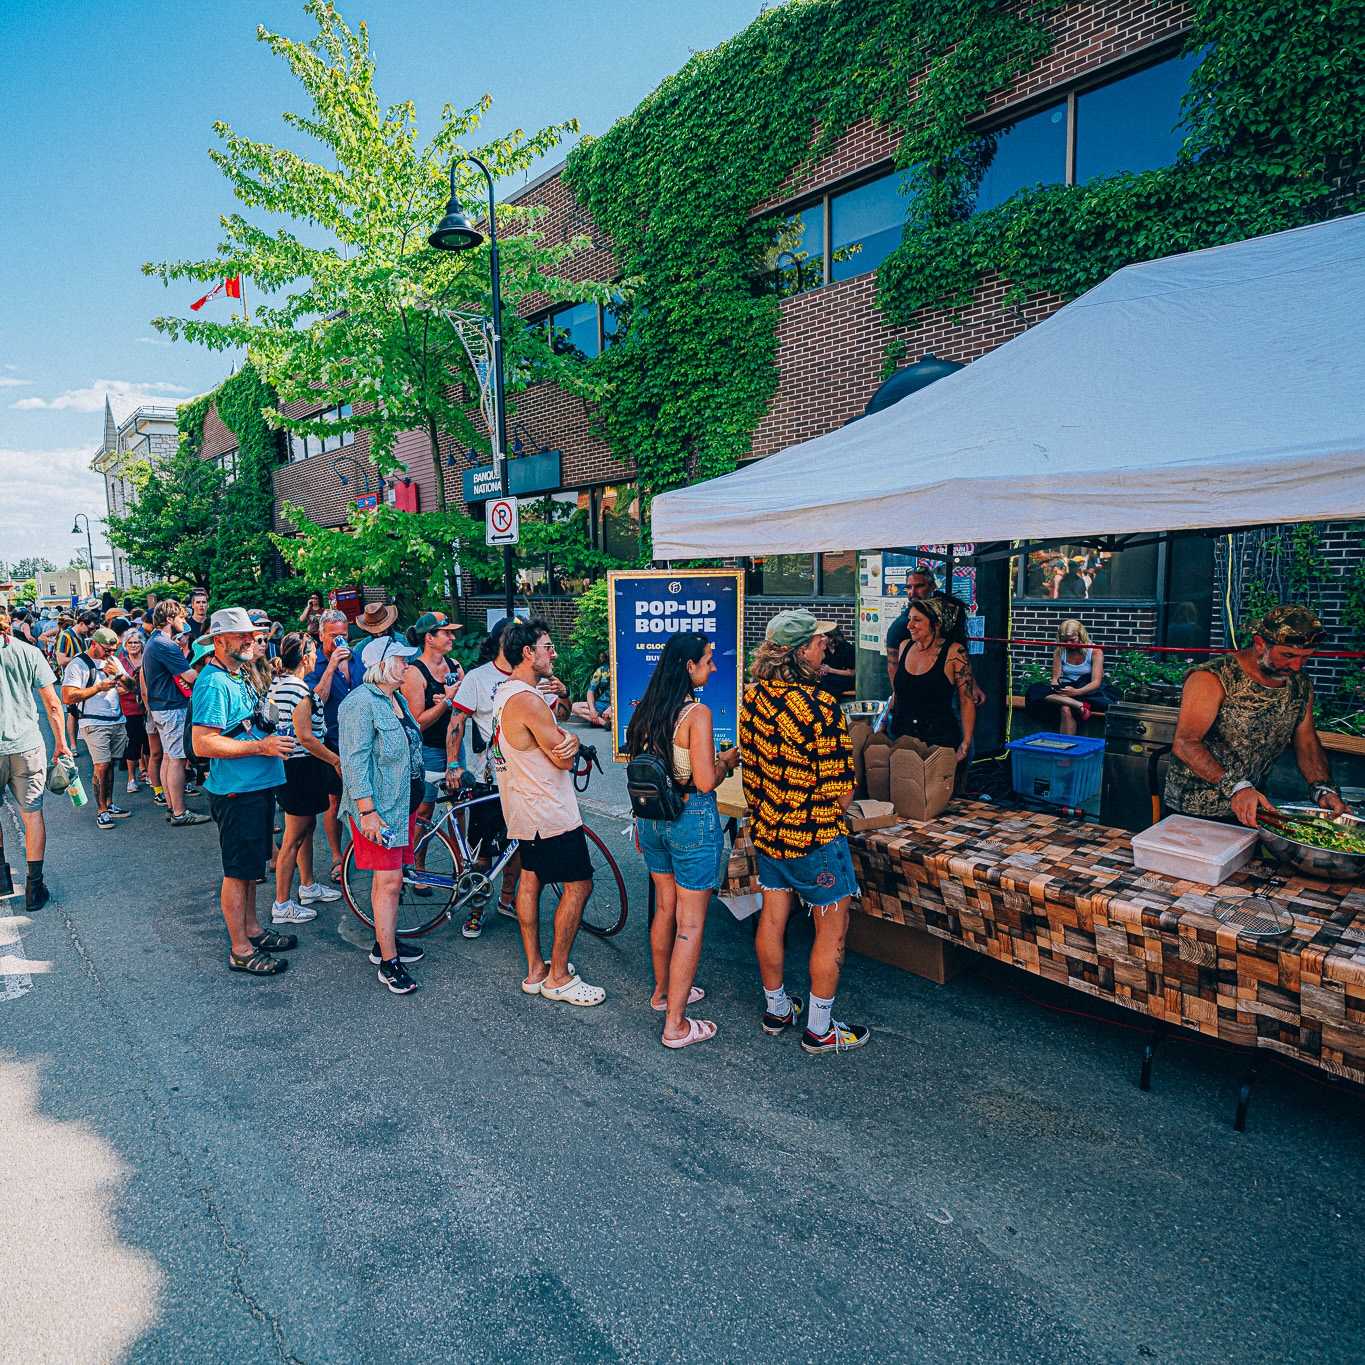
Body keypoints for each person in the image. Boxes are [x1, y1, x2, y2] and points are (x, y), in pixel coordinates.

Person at [739, 609, 867, 1055]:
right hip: (815, 837)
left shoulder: (752, 699)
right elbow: (840, 792)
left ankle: (777, 1008)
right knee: (830, 930)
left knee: (773, 917)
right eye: (817, 642)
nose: (824, 647)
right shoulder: (821, 706)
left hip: (769, 834)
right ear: (797, 653)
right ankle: (820, 1028)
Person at [628, 633, 741, 1048]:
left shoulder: (647, 710)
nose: (713, 668)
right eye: (708, 661)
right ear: (688, 667)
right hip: (691, 818)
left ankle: (663, 993)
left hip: (650, 820)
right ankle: (676, 1024)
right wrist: (726, 761)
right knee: (690, 925)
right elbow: (706, 780)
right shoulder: (696, 714)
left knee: (664, 909)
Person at [492, 619, 604, 1005]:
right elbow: (561, 757)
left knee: (531, 877)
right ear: (528, 653)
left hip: (522, 806)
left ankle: (536, 968)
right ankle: (557, 976)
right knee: (579, 884)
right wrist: (571, 737)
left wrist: (562, 738)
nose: (553, 653)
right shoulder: (527, 700)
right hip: (548, 809)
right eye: (547, 647)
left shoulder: (505, 693)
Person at [1165, 605, 1349, 828]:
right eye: (1288, 655)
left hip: (1254, 807)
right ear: (1260, 644)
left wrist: (1322, 787)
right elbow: (1185, 743)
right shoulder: (1212, 677)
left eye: (1305, 657)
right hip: (1194, 811)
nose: (1296, 665)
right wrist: (1237, 787)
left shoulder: (1300, 685)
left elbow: (1307, 742)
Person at [191, 609, 295, 977]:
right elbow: (203, 744)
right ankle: (240, 949)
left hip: (256, 785)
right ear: (219, 641)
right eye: (241, 636)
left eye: (252, 635)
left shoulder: (238, 675)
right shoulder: (214, 682)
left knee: (251, 869)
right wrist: (261, 748)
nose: (251, 640)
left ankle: (251, 930)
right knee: (237, 872)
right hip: (237, 790)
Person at [338, 649, 428, 994]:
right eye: (402, 660)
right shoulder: (361, 702)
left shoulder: (395, 698)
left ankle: (384, 942)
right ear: (380, 664)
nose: (408, 665)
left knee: (391, 880)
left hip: (401, 802)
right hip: (379, 810)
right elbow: (354, 760)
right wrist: (367, 812)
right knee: (388, 882)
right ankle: (389, 961)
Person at [447, 617, 519, 937]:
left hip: (523, 779)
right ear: (501, 641)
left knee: (517, 845)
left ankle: (506, 900)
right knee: (483, 853)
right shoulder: (478, 677)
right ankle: (476, 909)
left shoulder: (528, 673)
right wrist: (453, 764)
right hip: (487, 777)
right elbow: (457, 720)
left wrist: (561, 696)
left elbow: (556, 716)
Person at [267, 633, 343, 925]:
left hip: (290, 766)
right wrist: (335, 760)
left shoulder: (277, 684)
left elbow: (273, 722)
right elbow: (307, 737)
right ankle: (282, 903)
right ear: (306, 657)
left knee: (307, 827)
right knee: (293, 836)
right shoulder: (299, 690)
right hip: (300, 766)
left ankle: (308, 885)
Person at [0, 609, 70, 909]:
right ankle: (34, 887)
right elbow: (52, 704)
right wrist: (62, 744)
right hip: (26, 744)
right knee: (32, 813)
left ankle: (2, 880)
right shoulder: (27, 651)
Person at [141, 599, 208, 826]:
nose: (184, 621)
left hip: (161, 708)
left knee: (170, 757)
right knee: (177, 759)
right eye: (180, 618)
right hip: (172, 707)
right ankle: (180, 812)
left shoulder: (154, 641)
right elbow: (190, 676)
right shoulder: (166, 644)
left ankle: (173, 806)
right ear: (170, 619)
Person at [401, 612, 464, 852]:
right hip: (427, 749)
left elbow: (466, 706)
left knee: (457, 807)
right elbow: (417, 723)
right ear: (429, 638)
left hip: (454, 746)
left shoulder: (455, 667)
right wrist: (445, 703)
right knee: (424, 810)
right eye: (446, 633)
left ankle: (462, 864)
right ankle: (417, 864)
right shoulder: (414, 674)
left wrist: (454, 701)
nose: (452, 637)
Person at [60, 626, 134, 832]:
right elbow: (67, 696)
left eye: (114, 651)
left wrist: (118, 674)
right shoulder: (78, 664)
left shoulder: (113, 661)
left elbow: (132, 686)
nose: (111, 654)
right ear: (94, 644)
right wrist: (97, 688)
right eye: (107, 650)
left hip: (116, 719)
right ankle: (101, 810)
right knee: (101, 766)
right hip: (93, 722)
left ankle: (109, 804)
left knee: (110, 765)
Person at [889, 598, 975, 770]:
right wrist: (883, 722)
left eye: (917, 620)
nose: (909, 626)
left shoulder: (955, 652)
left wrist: (966, 742)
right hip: (902, 735)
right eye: (909, 619)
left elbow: (966, 700)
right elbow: (898, 692)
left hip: (939, 740)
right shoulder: (904, 646)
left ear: (935, 624)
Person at [306, 608, 355, 881]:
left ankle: (361, 849)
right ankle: (338, 856)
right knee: (333, 801)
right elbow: (317, 701)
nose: (339, 641)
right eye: (334, 636)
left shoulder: (356, 658)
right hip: (331, 740)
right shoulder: (315, 664)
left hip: (358, 739)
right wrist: (333, 664)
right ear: (322, 635)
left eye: (343, 635)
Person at [1025, 619, 1113, 735]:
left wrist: (1077, 692)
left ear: (1081, 635)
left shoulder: (1095, 652)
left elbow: (1096, 682)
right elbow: (1055, 678)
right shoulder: (1059, 651)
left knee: (1066, 707)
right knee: (1034, 690)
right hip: (1067, 689)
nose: (1069, 644)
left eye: (1072, 640)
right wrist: (1057, 687)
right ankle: (1079, 706)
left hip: (1087, 690)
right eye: (1065, 640)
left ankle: (1067, 746)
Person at [883, 569, 936, 685]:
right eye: (909, 587)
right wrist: (898, 695)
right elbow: (893, 663)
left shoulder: (944, 613)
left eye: (919, 586)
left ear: (933, 587)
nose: (913, 592)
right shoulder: (901, 626)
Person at [115, 629, 149, 793]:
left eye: (136, 642)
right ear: (125, 645)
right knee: (134, 741)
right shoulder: (120, 661)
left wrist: (129, 687)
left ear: (142, 644)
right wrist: (134, 688)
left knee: (149, 742)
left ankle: (149, 773)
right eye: (130, 643)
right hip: (129, 707)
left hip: (149, 705)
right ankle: (131, 778)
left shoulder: (148, 659)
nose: (134, 645)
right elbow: (117, 688)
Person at [570, 651, 613, 729]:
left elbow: (627, 693)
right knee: (574, 707)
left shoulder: (623, 670)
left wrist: (612, 707)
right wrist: (592, 710)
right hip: (602, 704)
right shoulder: (601, 670)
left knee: (612, 714)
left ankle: (603, 720)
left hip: (618, 706)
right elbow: (590, 691)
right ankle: (604, 723)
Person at [818, 623, 857, 701]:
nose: (821, 638)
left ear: (831, 638)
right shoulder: (824, 649)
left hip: (846, 679)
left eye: (823, 636)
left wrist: (830, 670)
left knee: (825, 682)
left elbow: (852, 673)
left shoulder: (847, 649)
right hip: (830, 679)